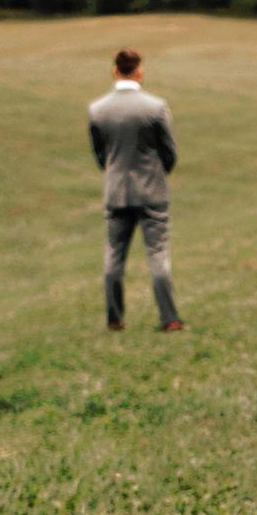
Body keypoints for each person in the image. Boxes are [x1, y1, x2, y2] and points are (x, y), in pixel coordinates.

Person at [88, 48, 183, 332]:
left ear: (115, 70)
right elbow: (170, 152)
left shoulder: (97, 109)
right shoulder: (155, 107)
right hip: (152, 190)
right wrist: (157, 173)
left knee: (114, 257)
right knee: (157, 255)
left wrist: (114, 173)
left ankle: (115, 318)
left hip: (116, 191)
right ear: (139, 71)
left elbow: (99, 153)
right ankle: (170, 319)